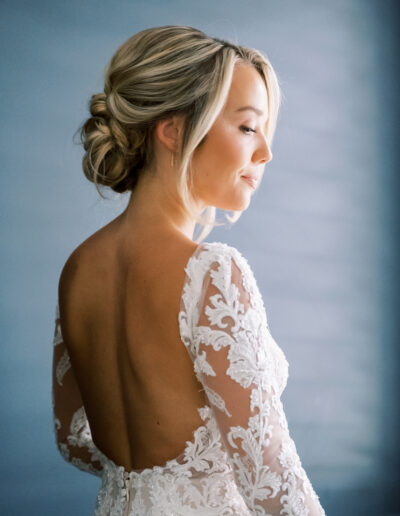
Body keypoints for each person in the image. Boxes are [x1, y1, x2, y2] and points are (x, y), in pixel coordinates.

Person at [52, 25, 326, 515]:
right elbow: (269, 475)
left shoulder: (78, 269)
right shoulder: (212, 272)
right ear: (173, 129)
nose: (265, 152)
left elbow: (72, 439)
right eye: (247, 126)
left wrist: (144, 482)